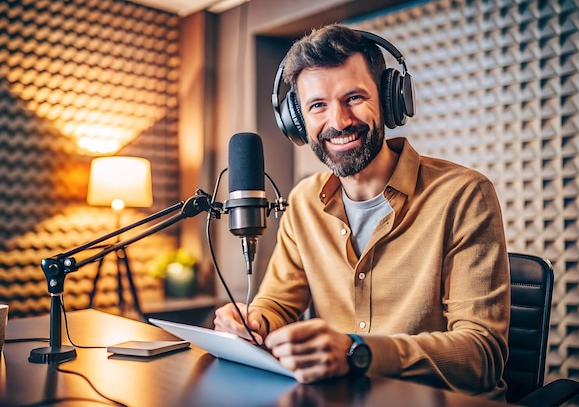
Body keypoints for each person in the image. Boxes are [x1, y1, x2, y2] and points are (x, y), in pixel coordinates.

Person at [214, 23, 510, 401]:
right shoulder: (303, 201)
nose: (338, 122)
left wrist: (357, 352)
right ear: (298, 121)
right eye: (317, 105)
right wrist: (252, 322)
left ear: (389, 99)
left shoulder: (464, 195)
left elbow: (481, 357)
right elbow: (278, 302)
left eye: (353, 97)